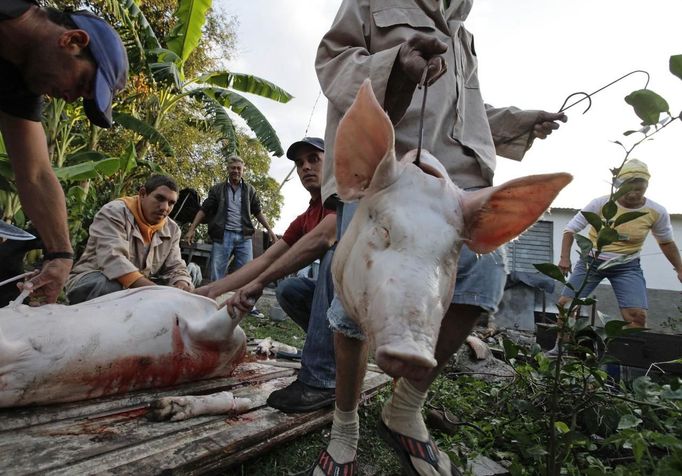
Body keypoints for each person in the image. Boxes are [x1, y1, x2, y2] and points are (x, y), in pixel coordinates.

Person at [310, 1, 568, 474]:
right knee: (351, 302)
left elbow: (467, 113)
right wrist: (397, 67)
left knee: (483, 277)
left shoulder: (462, 32)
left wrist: (520, 122)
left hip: (456, 177)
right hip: (385, 165)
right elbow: (333, 60)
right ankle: (344, 424)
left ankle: (405, 408)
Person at [197, 138, 339, 411]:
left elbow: (324, 238)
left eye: (314, 159)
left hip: (369, 303)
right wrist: (210, 291)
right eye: (299, 163)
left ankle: (321, 379)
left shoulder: (343, 197)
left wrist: (260, 283)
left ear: (331, 162)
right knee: (290, 290)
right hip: (342, 303)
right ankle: (334, 353)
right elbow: (266, 258)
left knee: (334, 258)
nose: (305, 167)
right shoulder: (307, 215)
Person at [0, 1, 128, 303]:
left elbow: (36, 174)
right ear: (72, 41)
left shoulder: (18, 84)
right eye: (82, 83)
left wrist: (60, 255)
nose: (70, 99)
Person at [556, 159, 682, 329]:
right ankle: (560, 348)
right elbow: (570, 230)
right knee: (566, 305)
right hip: (591, 263)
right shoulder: (601, 204)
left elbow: (666, 242)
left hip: (627, 266)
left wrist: (679, 268)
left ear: (646, 187)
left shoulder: (656, 211)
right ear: (618, 186)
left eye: (639, 189)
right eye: (628, 188)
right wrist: (565, 258)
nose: (633, 194)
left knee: (637, 316)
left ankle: (630, 353)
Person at [65, 175, 192, 304]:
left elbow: (175, 266)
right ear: (142, 194)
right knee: (109, 286)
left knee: (186, 285)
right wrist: (153, 292)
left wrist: (181, 282)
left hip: (138, 290)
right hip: (91, 282)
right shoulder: (114, 212)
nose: (165, 207)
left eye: (171, 203)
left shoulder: (173, 229)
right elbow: (113, 259)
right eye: (159, 198)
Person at [184, 156, 277, 285]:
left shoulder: (250, 190)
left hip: (244, 237)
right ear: (227, 169)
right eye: (233, 168)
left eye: (239, 168)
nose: (236, 171)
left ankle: (242, 302)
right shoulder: (217, 189)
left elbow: (258, 212)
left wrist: (270, 230)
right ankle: (214, 300)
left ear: (243, 170)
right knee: (217, 273)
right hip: (223, 235)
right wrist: (192, 228)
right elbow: (203, 210)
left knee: (246, 273)